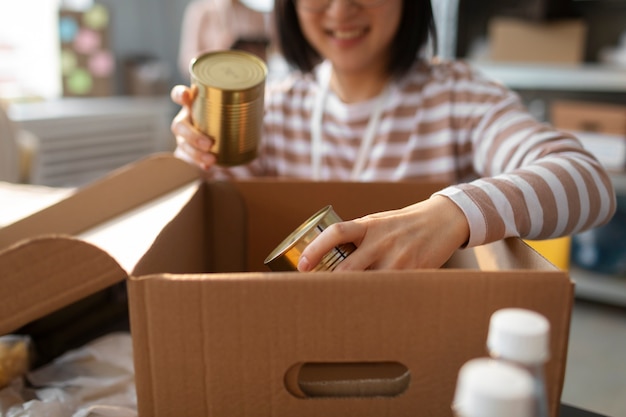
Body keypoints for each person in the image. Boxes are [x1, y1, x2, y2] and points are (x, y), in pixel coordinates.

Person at [171, 0, 617, 272]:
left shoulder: (461, 97)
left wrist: (450, 216)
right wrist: (195, 158)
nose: (341, 10)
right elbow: (221, 222)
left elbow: (588, 183)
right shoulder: (275, 109)